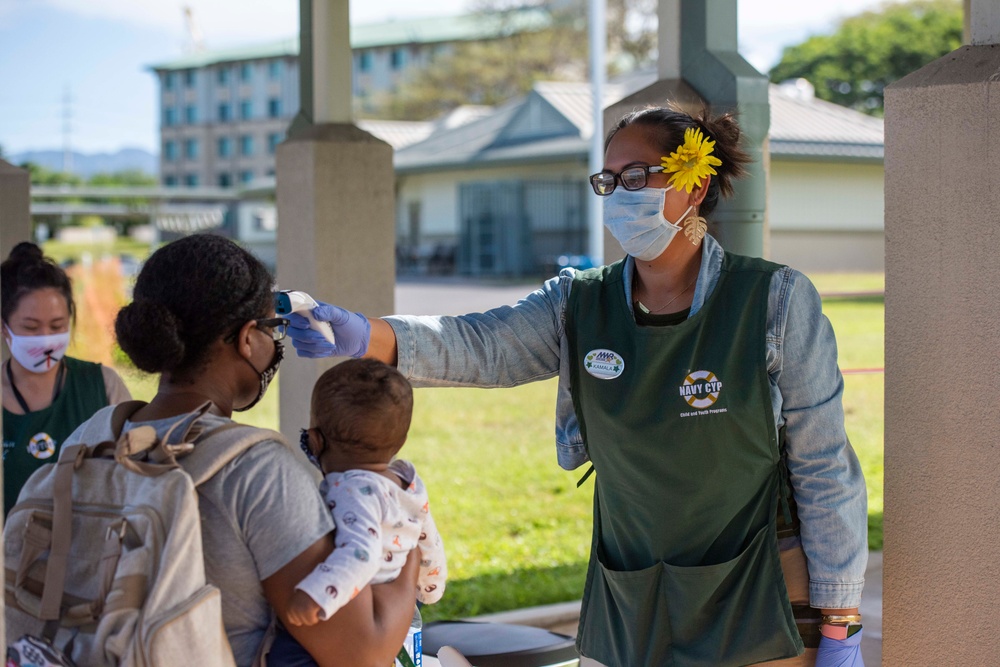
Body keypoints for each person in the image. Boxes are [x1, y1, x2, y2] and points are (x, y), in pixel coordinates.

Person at [286, 105, 868, 667]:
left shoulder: (774, 301)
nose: (620, 194)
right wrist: (368, 336)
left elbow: (823, 465)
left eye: (637, 176)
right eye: (608, 181)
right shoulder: (579, 302)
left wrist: (840, 618)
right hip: (633, 584)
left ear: (695, 185)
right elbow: (484, 345)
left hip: (759, 584)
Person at [59, 234, 419, 667]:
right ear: (249, 338)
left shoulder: (89, 438)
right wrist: (408, 527)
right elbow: (364, 650)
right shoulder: (256, 470)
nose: (275, 344)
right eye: (274, 329)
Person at [269, 358, 446, 665]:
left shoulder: (350, 489)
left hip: (345, 603)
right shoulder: (408, 484)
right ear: (400, 442)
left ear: (315, 440)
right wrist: (431, 587)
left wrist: (314, 596)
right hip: (399, 609)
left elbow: (360, 554)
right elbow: (428, 539)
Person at [2, 242, 131, 515]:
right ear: (4, 327)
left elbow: (133, 476)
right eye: (31, 327)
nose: (46, 338)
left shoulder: (103, 386)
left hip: (87, 554)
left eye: (57, 326)